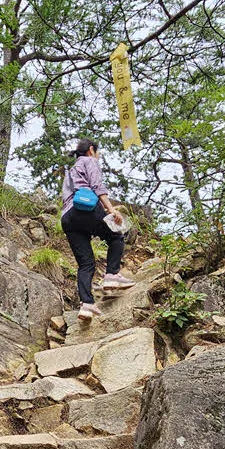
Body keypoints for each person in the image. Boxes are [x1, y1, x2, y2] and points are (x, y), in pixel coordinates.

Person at [60, 138, 135, 321]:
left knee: (86, 264)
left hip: (67, 218)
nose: (98, 156)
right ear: (92, 150)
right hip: (85, 208)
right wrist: (111, 209)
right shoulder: (89, 161)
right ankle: (111, 276)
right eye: (97, 152)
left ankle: (86, 305)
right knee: (116, 236)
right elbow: (96, 186)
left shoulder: (71, 170)